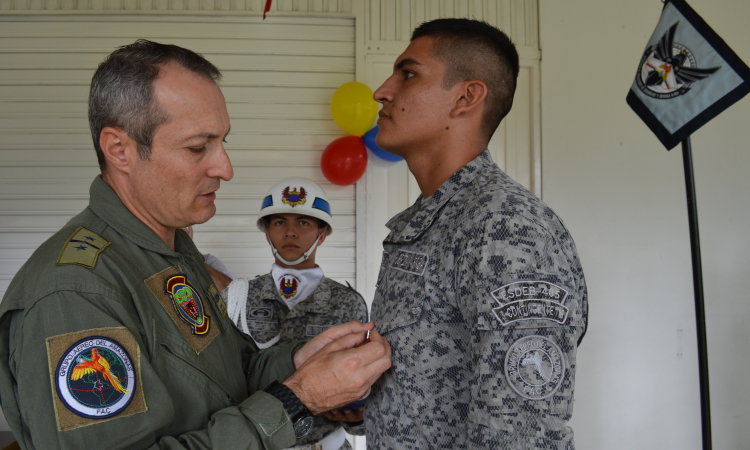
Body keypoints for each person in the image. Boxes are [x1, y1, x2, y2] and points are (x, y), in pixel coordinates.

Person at [0, 40, 391, 450]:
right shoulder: (75, 294)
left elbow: (226, 375)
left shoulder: (172, 252)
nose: (225, 168)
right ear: (120, 150)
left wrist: (297, 361)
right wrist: (299, 398)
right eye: (197, 147)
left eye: (223, 142)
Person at [364, 19, 588, 449]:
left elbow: (521, 433)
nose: (382, 90)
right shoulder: (432, 219)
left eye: (408, 74)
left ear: (466, 97)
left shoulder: (505, 228)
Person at [217, 176, 368, 450]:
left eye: (303, 222)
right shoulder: (238, 297)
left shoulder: (347, 302)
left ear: (322, 233)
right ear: (266, 232)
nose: (290, 232)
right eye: (279, 222)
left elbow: (364, 386)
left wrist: (358, 416)